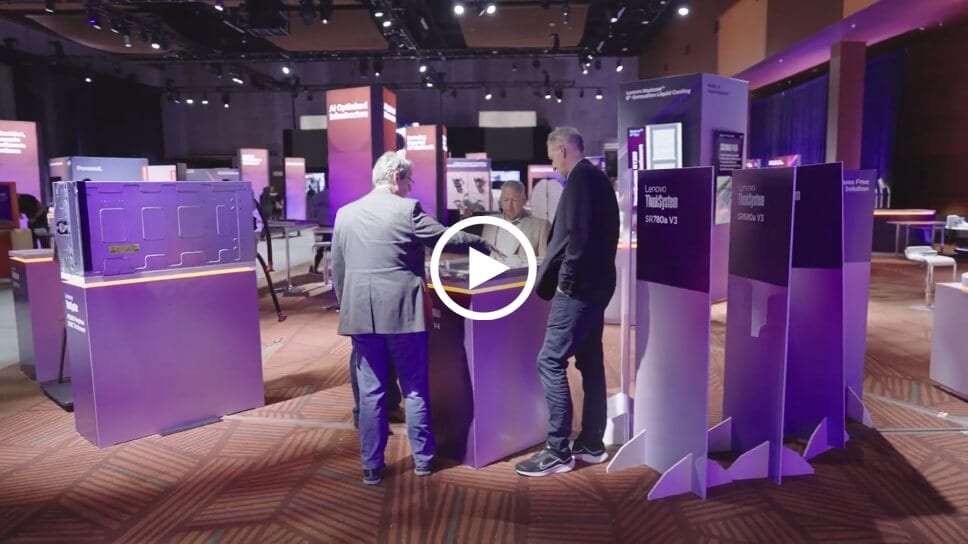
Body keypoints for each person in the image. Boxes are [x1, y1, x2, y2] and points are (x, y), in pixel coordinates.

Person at [332, 151, 495, 486]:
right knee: (415, 389)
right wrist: (483, 242)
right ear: (396, 178)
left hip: (361, 316)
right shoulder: (407, 210)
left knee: (371, 393)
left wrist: (348, 306)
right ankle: (423, 460)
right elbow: (447, 238)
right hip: (404, 316)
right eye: (409, 181)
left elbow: (339, 271)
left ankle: (371, 467)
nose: (410, 188)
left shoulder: (345, 214)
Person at [514, 127, 619, 478]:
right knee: (590, 361)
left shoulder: (580, 181)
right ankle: (590, 443)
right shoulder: (597, 179)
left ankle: (557, 449)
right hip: (597, 287)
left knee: (549, 360)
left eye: (551, 157)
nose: (553, 166)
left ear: (562, 150)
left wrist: (566, 284)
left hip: (579, 290)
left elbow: (578, 239)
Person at [480, 180, 550, 259]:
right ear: (500, 200)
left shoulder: (541, 226)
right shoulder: (490, 222)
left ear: (524, 201)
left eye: (515, 200)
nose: (509, 205)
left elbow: (544, 263)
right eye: (505, 200)